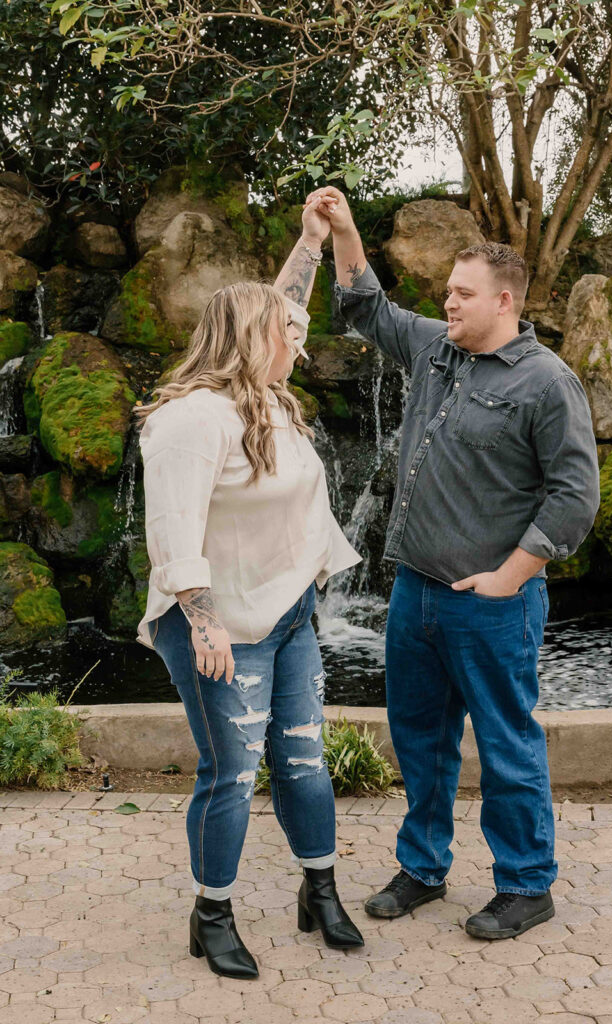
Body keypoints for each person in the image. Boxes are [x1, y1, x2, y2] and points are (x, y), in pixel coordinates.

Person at [306, 185, 600, 940]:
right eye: (445, 292)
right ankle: (422, 868)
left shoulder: (545, 383)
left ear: (503, 301)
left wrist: (510, 577)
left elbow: (573, 496)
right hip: (416, 592)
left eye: (461, 294)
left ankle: (526, 884)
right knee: (419, 741)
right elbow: (367, 307)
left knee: (505, 744)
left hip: (490, 601)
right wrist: (342, 229)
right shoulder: (438, 349)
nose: (447, 304)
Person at [133, 196, 365, 979]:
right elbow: (170, 529)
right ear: (250, 342)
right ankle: (212, 914)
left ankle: (319, 890)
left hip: (288, 614)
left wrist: (308, 243)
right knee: (230, 770)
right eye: (283, 337)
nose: (297, 347)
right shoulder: (192, 419)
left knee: (303, 759)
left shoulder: (262, 395)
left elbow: (284, 308)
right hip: (220, 625)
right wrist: (202, 626)